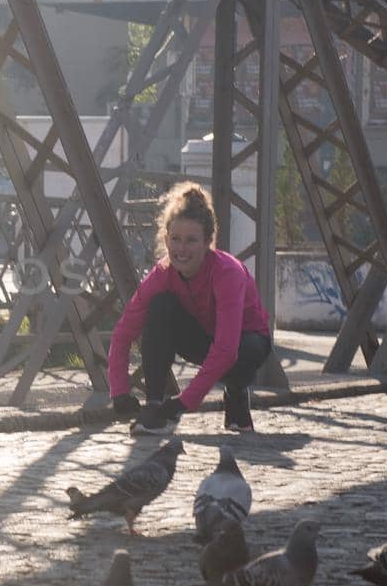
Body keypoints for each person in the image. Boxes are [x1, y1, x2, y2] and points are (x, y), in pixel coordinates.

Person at [107, 181, 272, 434]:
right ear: (166, 239)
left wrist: (185, 402)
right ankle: (154, 404)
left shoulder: (228, 273)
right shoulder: (162, 274)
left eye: (191, 241)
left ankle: (236, 390)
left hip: (245, 344)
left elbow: (227, 350)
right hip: (204, 339)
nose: (181, 250)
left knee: (243, 351)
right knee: (160, 307)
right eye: (175, 239)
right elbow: (123, 332)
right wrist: (119, 391)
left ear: (208, 241)